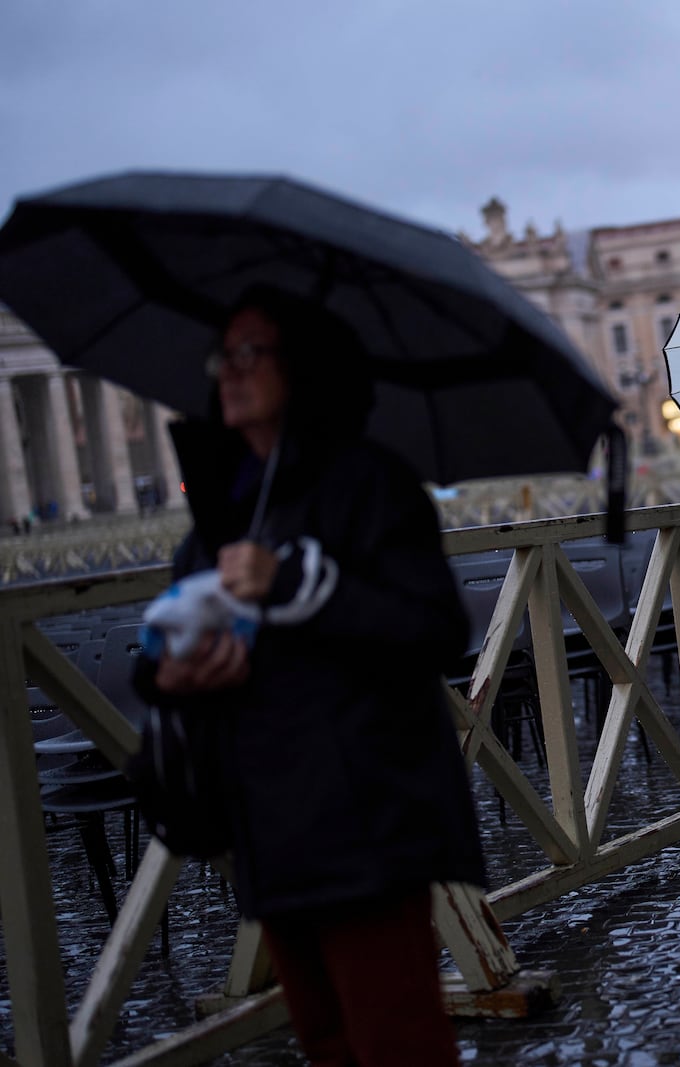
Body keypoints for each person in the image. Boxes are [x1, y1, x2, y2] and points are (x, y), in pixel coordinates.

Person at [136, 287, 483, 1066]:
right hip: (267, 818)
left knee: (395, 1042)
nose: (228, 370)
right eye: (222, 354)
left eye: (249, 352)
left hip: (365, 814)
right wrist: (173, 675)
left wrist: (291, 585)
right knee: (326, 1042)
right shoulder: (224, 506)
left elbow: (433, 628)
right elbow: (164, 640)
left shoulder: (370, 484)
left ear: (303, 367)